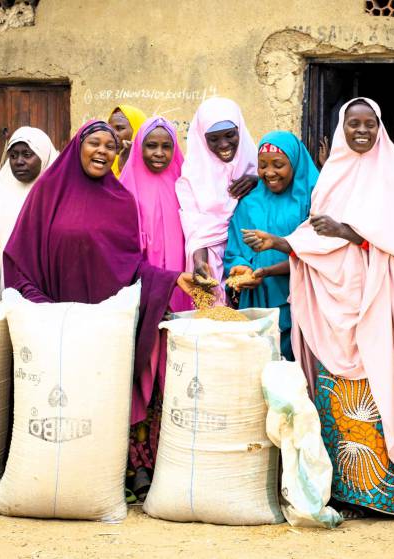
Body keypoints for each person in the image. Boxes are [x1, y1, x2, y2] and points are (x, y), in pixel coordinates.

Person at [242, 98, 394, 518]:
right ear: (342, 130)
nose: (361, 131)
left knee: (377, 388)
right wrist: (287, 243)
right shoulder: (331, 175)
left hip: (376, 296)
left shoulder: (393, 173)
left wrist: (349, 232)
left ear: (379, 127)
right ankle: (344, 491)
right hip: (333, 300)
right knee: (335, 399)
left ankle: (379, 495)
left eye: (369, 124)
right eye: (353, 124)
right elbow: (315, 230)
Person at [3, 120, 196, 492]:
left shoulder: (121, 202)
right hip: (52, 326)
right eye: (95, 143)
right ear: (78, 145)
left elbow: (130, 267)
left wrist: (171, 279)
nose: (104, 152)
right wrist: (46, 310)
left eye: (112, 146)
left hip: (99, 330)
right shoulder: (47, 193)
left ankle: (99, 482)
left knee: (96, 406)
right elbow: (19, 257)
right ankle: (48, 483)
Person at [119, 116, 191, 500]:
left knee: (174, 381)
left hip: (180, 300)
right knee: (139, 378)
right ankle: (138, 467)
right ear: (139, 148)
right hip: (143, 301)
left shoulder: (185, 188)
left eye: (166, 146)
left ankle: (169, 465)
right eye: (151, 145)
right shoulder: (123, 190)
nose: (159, 153)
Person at [223, 131, 317, 360]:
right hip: (258, 300)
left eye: (278, 165)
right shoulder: (249, 203)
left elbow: (319, 250)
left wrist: (268, 270)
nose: (269, 173)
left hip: (300, 299)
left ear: (295, 163)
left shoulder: (312, 199)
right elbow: (235, 250)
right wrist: (242, 268)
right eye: (262, 165)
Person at [176, 97, 258, 293]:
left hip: (253, 263)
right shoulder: (191, 178)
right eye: (213, 139)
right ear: (202, 139)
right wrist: (199, 262)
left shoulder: (258, 166)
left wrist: (257, 181)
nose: (223, 144)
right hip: (211, 263)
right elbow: (196, 229)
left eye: (230, 135)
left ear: (240, 130)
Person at [0, 126, 58, 297]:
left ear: (44, 156)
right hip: (3, 282)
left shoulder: (56, 194)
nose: (19, 161)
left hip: (44, 286)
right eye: (13, 156)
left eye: (27, 155)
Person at [109, 104, 147, 177]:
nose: (112, 135)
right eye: (110, 129)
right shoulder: (107, 165)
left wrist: (124, 169)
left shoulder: (153, 166)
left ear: (138, 130)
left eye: (119, 128)